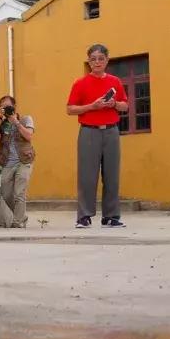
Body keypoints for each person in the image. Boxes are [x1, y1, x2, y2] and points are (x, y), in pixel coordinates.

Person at [66, 44, 128, 229]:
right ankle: (84, 216)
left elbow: (125, 105)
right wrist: (92, 106)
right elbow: (70, 109)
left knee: (112, 175)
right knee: (87, 176)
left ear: (107, 60)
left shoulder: (115, 81)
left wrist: (114, 104)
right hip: (88, 131)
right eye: (93, 59)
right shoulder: (80, 83)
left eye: (101, 58)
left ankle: (111, 216)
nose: (97, 62)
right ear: (89, 62)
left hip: (111, 131)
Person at [0, 95, 35, 228]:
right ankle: (21, 216)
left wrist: (15, 121)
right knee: (5, 193)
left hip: (24, 161)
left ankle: (17, 222)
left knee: (19, 192)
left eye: (8, 106)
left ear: (14, 107)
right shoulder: (3, 123)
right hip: (7, 163)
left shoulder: (26, 119)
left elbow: (29, 135)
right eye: (3, 107)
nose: (6, 109)